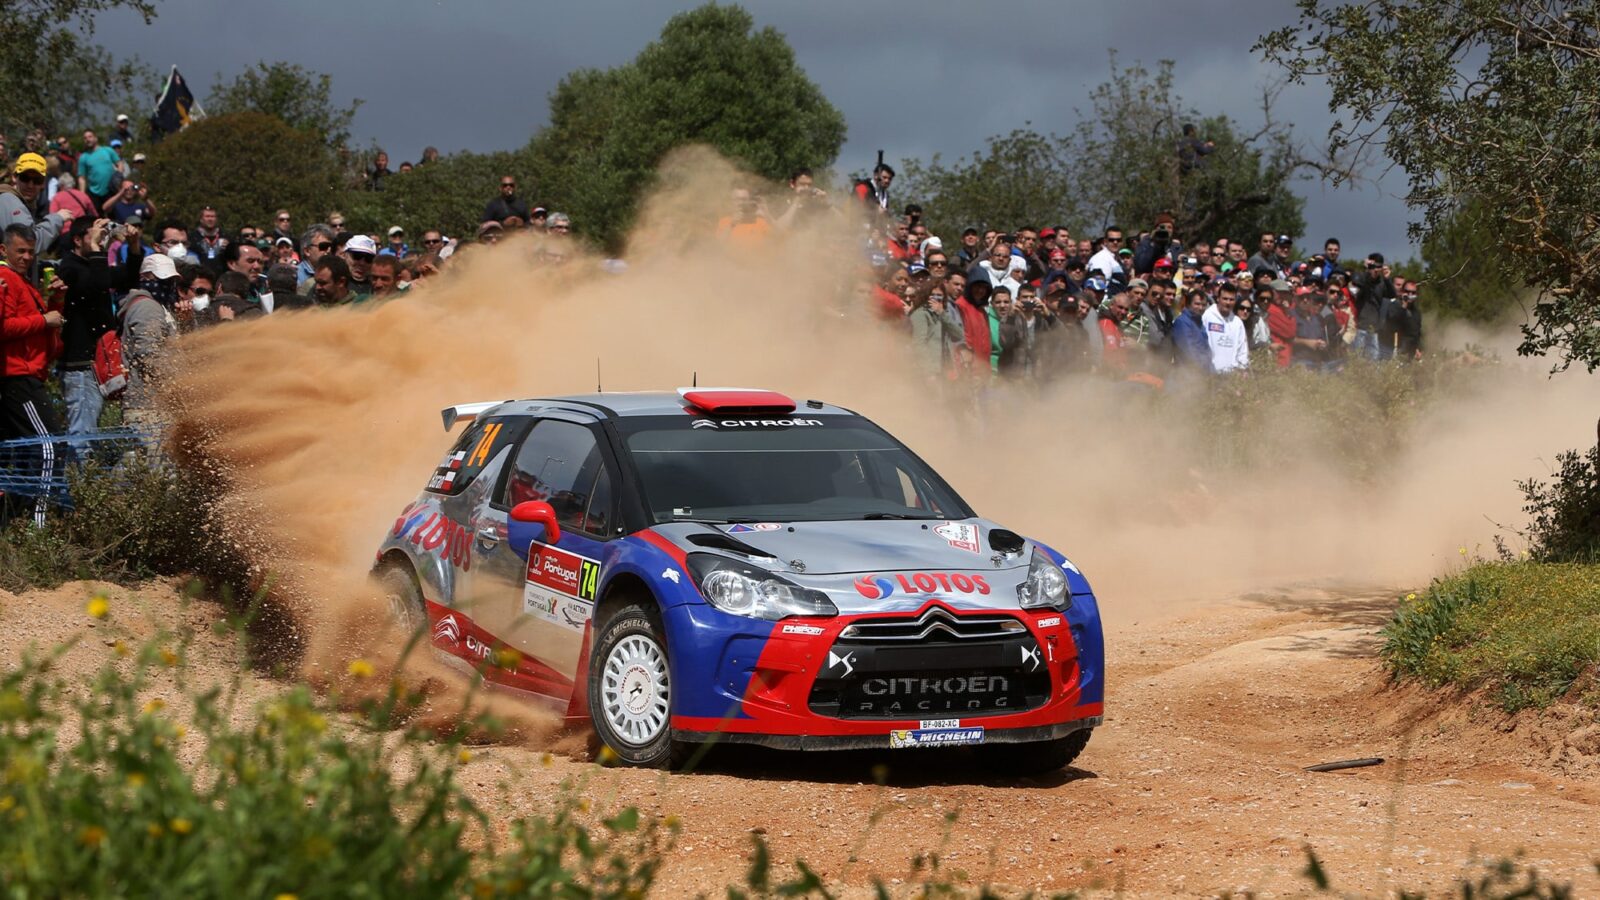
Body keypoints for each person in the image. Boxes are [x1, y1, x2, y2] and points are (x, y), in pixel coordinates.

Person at [0, 224, 64, 525]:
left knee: (28, 453)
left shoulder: (22, 282)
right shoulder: (4, 279)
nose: (26, 257)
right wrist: (42, 319)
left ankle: (16, 521)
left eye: (31, 252)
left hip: (31, 375)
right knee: (48, 446)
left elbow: (49, 342)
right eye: (20, 251)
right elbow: (3, 327)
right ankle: (39, 526)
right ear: (4, 250)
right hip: (17, 378)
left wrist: (55, 304)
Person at [56, 217, 143, 433]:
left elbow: (128, 279)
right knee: (83, 433)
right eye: (95, 234)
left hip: (102, 360)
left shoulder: (95, 264)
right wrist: (96, 248)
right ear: (77, 240)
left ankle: (89, 467)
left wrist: (133, 246)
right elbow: (97, 284)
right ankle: (79, 468)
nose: (102, 239)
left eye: (104, 234)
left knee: (102, 430)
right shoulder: (69, 267)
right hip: (80, 365)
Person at [0, 154, 71, 260]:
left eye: (37, 180)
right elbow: (29, 244)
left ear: (43, 183)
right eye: (25, 178)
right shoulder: (9, 200)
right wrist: (57, 219)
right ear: (15, 177)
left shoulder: (18, 201)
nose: (30, 185)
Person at [1202, 284, 1249, 373]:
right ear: (1218, 298)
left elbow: (1242, 349)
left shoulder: (1237, 322)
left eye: (1231, 300)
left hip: (1232, 375)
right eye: (1225, 299)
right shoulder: (1207, 316)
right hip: (1210, 373)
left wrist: (1243, 369)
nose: (1228, 302)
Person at [74, 131, 121, 211]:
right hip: (94, 193)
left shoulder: (107, 150)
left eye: (90, 137)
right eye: (85, 138)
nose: (88, 139)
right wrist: (82, 194)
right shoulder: (83, 157)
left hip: (111, 190)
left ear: (96, 138)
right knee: (97, 219)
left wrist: (119, 176)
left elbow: (119, 163)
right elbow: (82, 178)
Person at [1171, 288, 1211, 371]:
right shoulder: (1182, 322)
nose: (1200, 308)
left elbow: (1206, 349)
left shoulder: (1199, 323)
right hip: (1186, 373)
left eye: (1203, 305)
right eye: (1197, 304)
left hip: (1201, 373)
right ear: (1188, 304)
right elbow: (1188, 350)